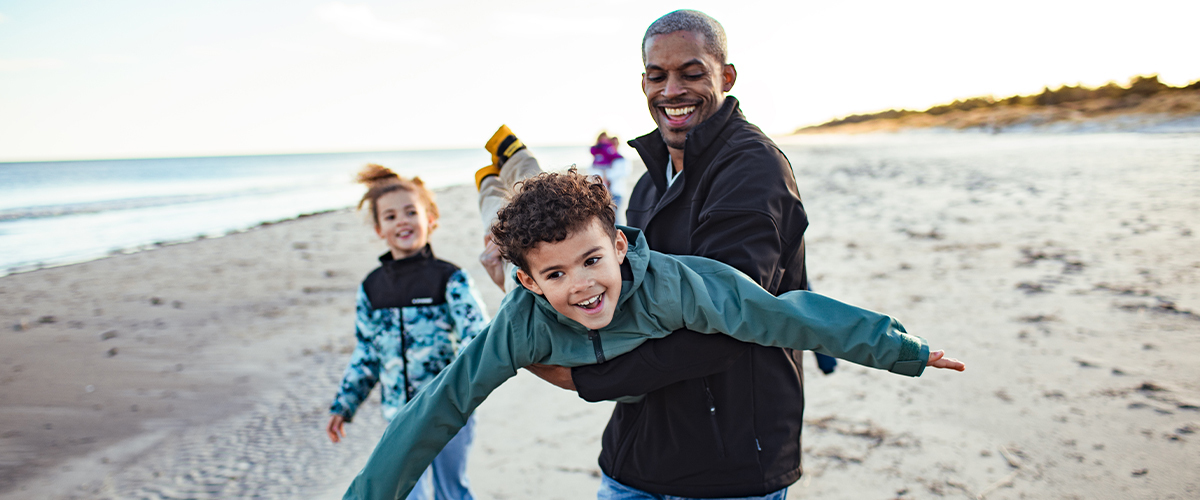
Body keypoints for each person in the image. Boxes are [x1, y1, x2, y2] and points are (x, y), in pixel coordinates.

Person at [340, 168, 965, 499]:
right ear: (537, 284)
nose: (583, 285)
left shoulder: (675, 285)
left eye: (592, 261)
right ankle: (495, 178)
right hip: (523, 290)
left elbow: (784, 314)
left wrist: (897, 348)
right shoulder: (522, 317)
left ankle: (516, 164)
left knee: (533, 198)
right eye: (556, 274)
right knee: (497, 226)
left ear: (619, 244)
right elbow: (438, 407)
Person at [514, 9, 833, 499]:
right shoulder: (648, 181)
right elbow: (621, 301)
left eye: (692, 73)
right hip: (635, 458)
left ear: (725, 76)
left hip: (728, 466)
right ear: (642, 81)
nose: (671, 91)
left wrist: (589, 380)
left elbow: (732, 320)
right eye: (657, 76)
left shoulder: (752, 170)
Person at [326, 164, 489, 500]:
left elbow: (478, 335)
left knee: (451, 491)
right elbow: (367, 353)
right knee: (407, 493)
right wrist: (345, 404)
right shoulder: (372, 287)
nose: (401, 221)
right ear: (378, 229)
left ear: (430, 219)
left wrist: (461, 390)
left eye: (410, 212)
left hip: (447, 412)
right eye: (390, 216)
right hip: (399, 418)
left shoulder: (449, 278)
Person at [589, 132, 631, 224]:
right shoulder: (603, 158)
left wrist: (606, 175)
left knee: (614, 217)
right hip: (603, 192)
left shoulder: (621, 159)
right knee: (605, 217)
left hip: (616, 192)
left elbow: (624, 173)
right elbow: (593, 172)